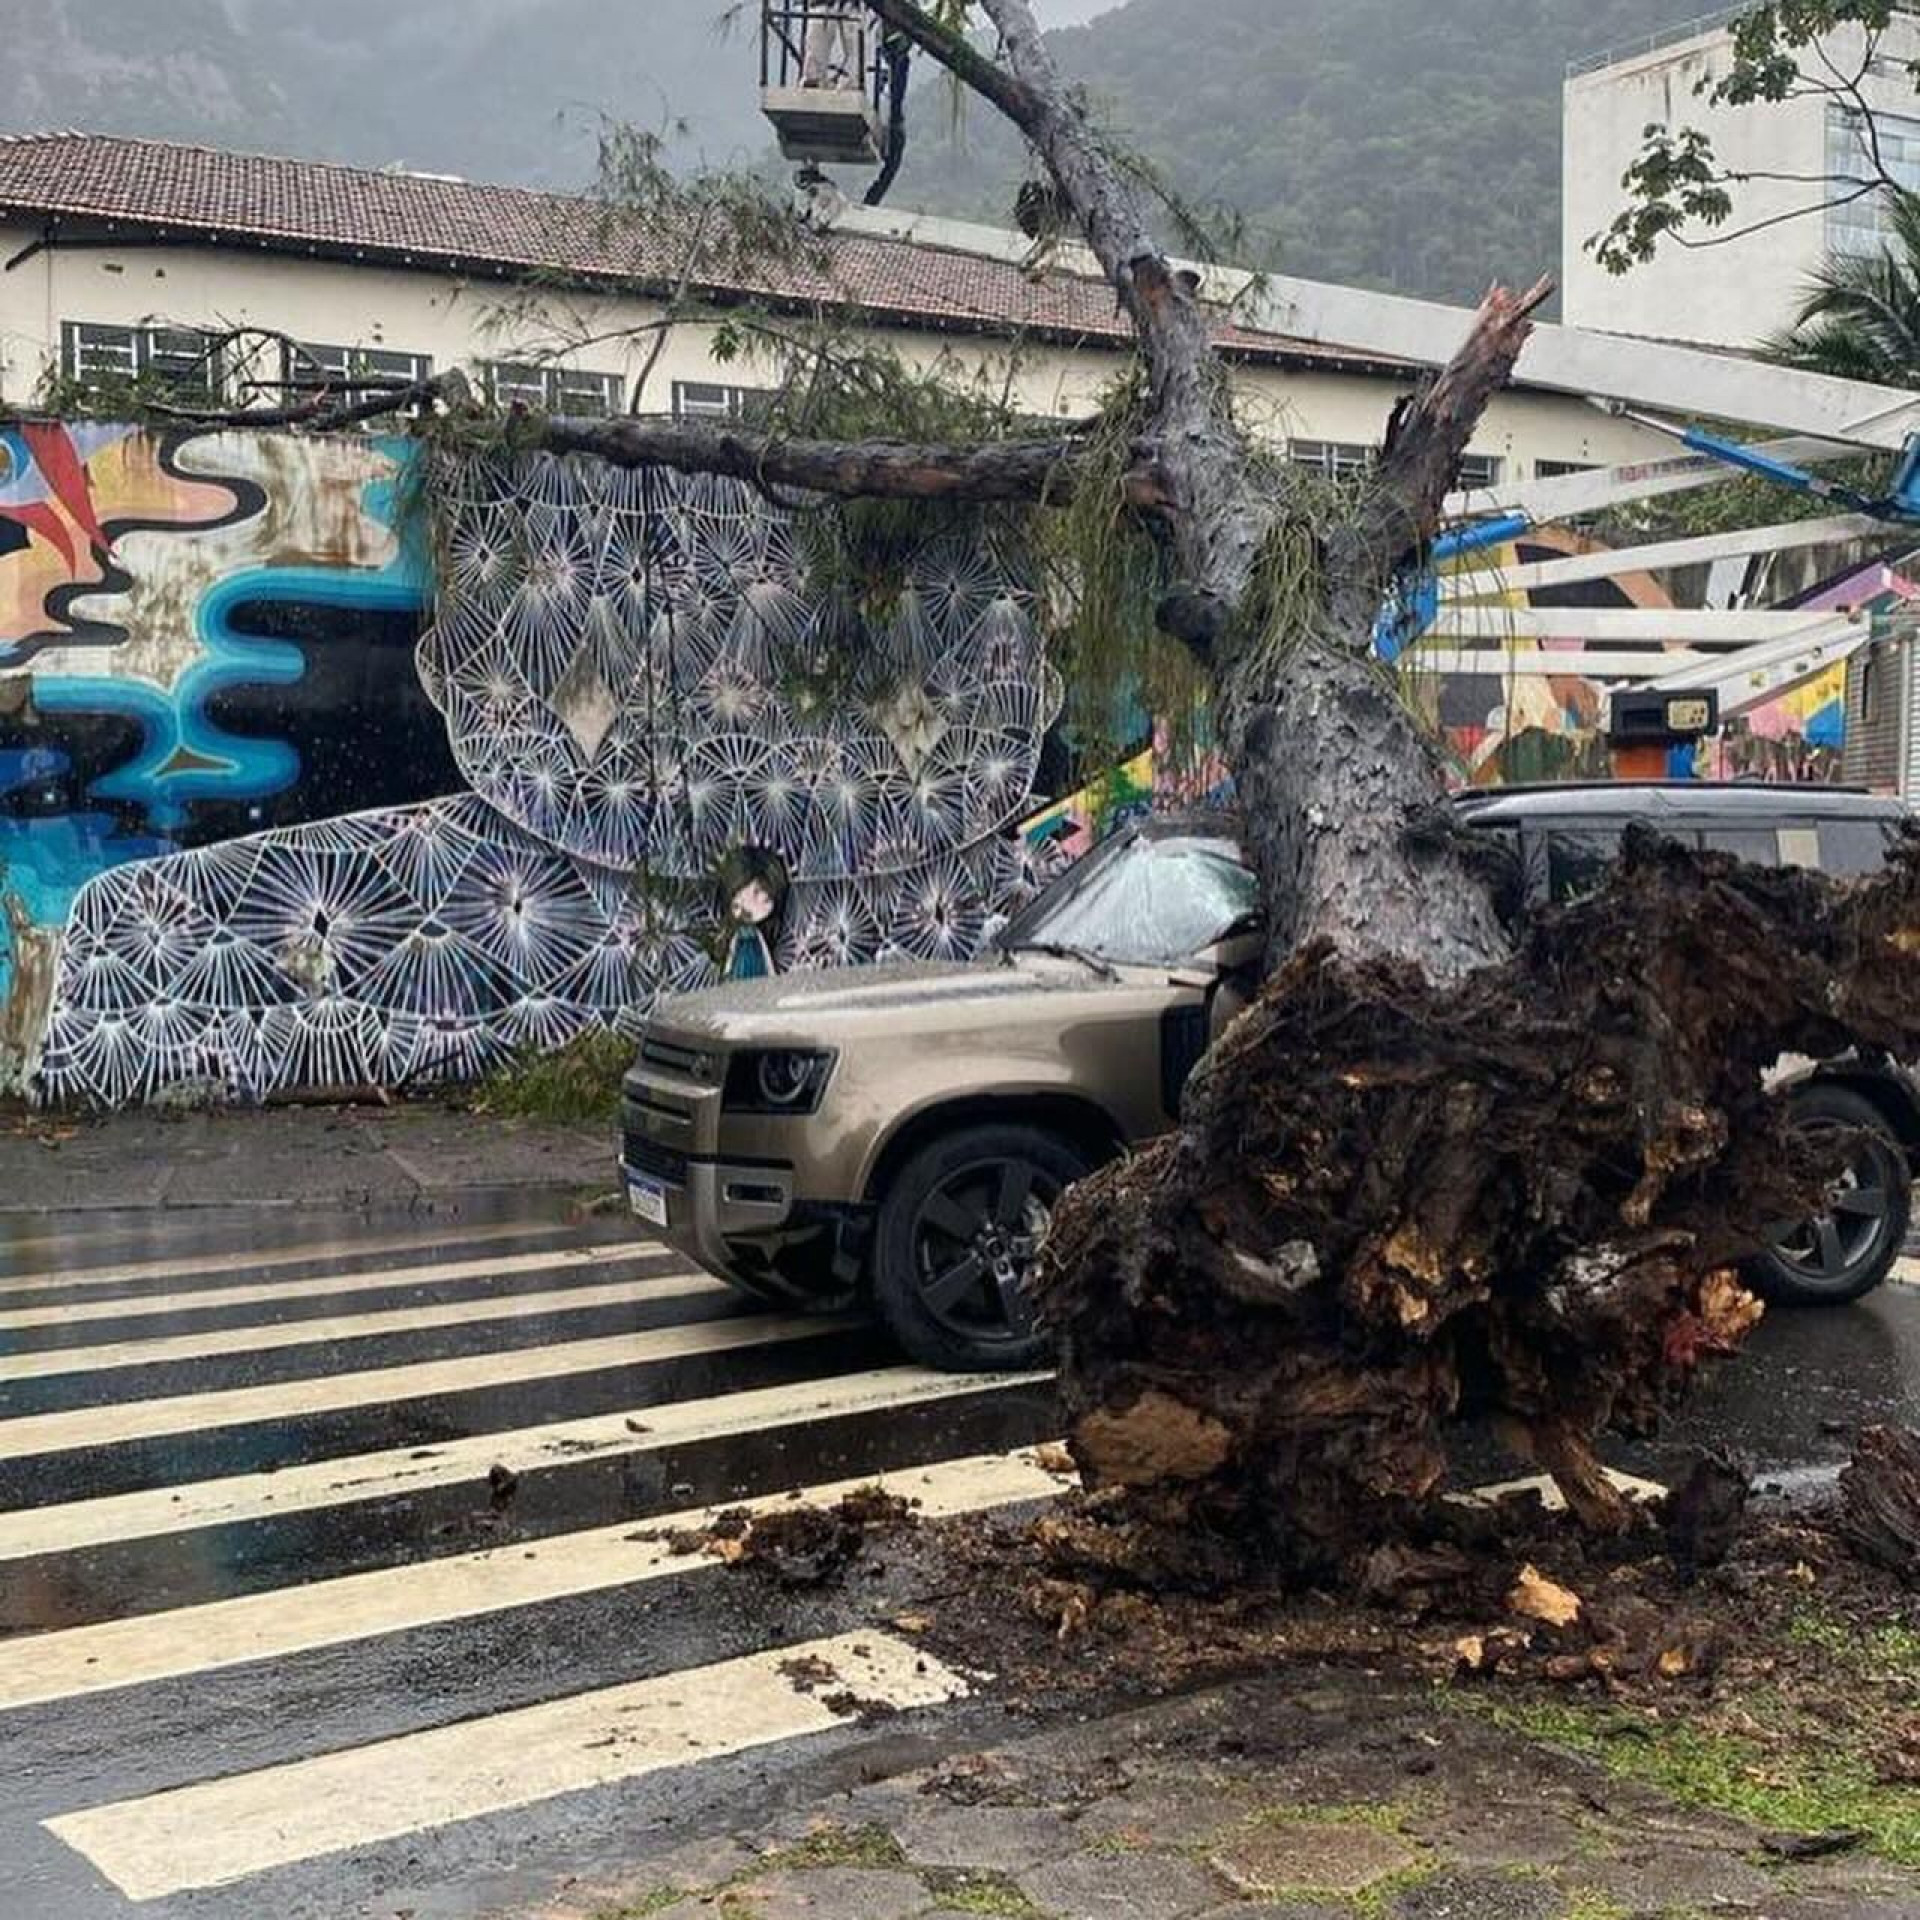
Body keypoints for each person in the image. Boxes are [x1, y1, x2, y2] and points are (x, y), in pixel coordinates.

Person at [720, 847, 787, 981]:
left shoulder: (761, 935)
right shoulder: (738, 935)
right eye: (738, 900)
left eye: (760, 895)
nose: (750, 904)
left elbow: (766, 957)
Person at [801, 3, 863, 88]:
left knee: (855, 58)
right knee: (814, 66)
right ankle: (813, 81)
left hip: (853, 7)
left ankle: (851, 82)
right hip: (824, 6)